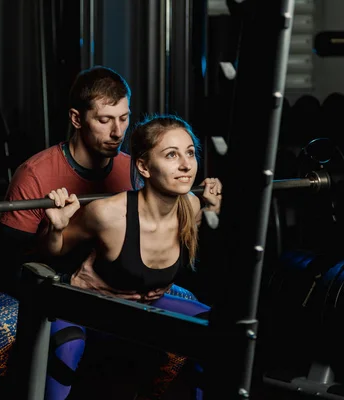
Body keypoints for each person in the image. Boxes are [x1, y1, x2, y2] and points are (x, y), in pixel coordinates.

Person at [0, 66, 222, 399]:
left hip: (120, 278)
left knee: (200, 325)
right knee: (4, 332)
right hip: (31, 279)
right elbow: (7, 261)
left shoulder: (131, 168)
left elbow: (158, 226)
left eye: (124, 118)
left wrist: (207, 209)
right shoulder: (35, 174)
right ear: (77, 119)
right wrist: (64, 259)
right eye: (105, 120)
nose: (117, 131)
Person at [43, 113, 220, 399]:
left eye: (190, 153)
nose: (186, 165)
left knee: (216, 331)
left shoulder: (192, 206)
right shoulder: (107, 215)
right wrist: (56, 227)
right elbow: (55, 251)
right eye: (171, 155)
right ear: (144, 166)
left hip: (138, 306)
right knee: (68, 343)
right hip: (90, 305)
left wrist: (216, 213)